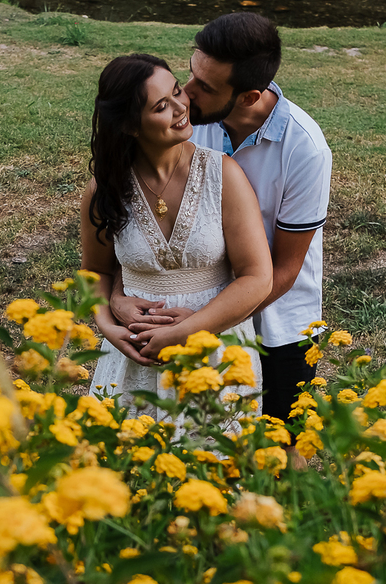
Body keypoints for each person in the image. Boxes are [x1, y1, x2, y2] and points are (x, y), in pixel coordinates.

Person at [111, 13, 333, 425]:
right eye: (190, 74)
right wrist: (124, 298)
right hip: (189, 314)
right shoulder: (188, 123)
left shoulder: (305, 150)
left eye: (205, 87)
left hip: (279, 324)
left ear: (249, 97)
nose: (187, 94)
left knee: (279, 448)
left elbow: (284, 269)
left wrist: (200, 321)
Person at [80, 54, 272, 421]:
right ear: (130, 126)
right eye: (161, 106)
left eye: (177, 91)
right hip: (133, 356)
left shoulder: (223, 175)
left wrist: (186, 330)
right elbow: (94, 271)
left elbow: (257, 277)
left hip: (214, 351)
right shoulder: (106, 188)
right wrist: (107, 325)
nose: (181, 107)